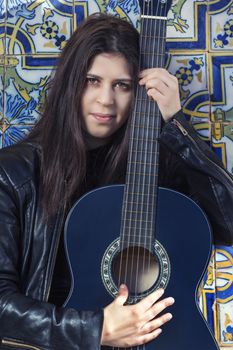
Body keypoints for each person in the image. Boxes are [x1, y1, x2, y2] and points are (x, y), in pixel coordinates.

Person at [0, 12, 232, 350]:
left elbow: (227, 222)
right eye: (92, 81)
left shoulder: (156, 172)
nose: (106, 100)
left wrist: (176, 126)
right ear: (69, 85)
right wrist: (96, 330)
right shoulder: (12, 174)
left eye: (122, 85)